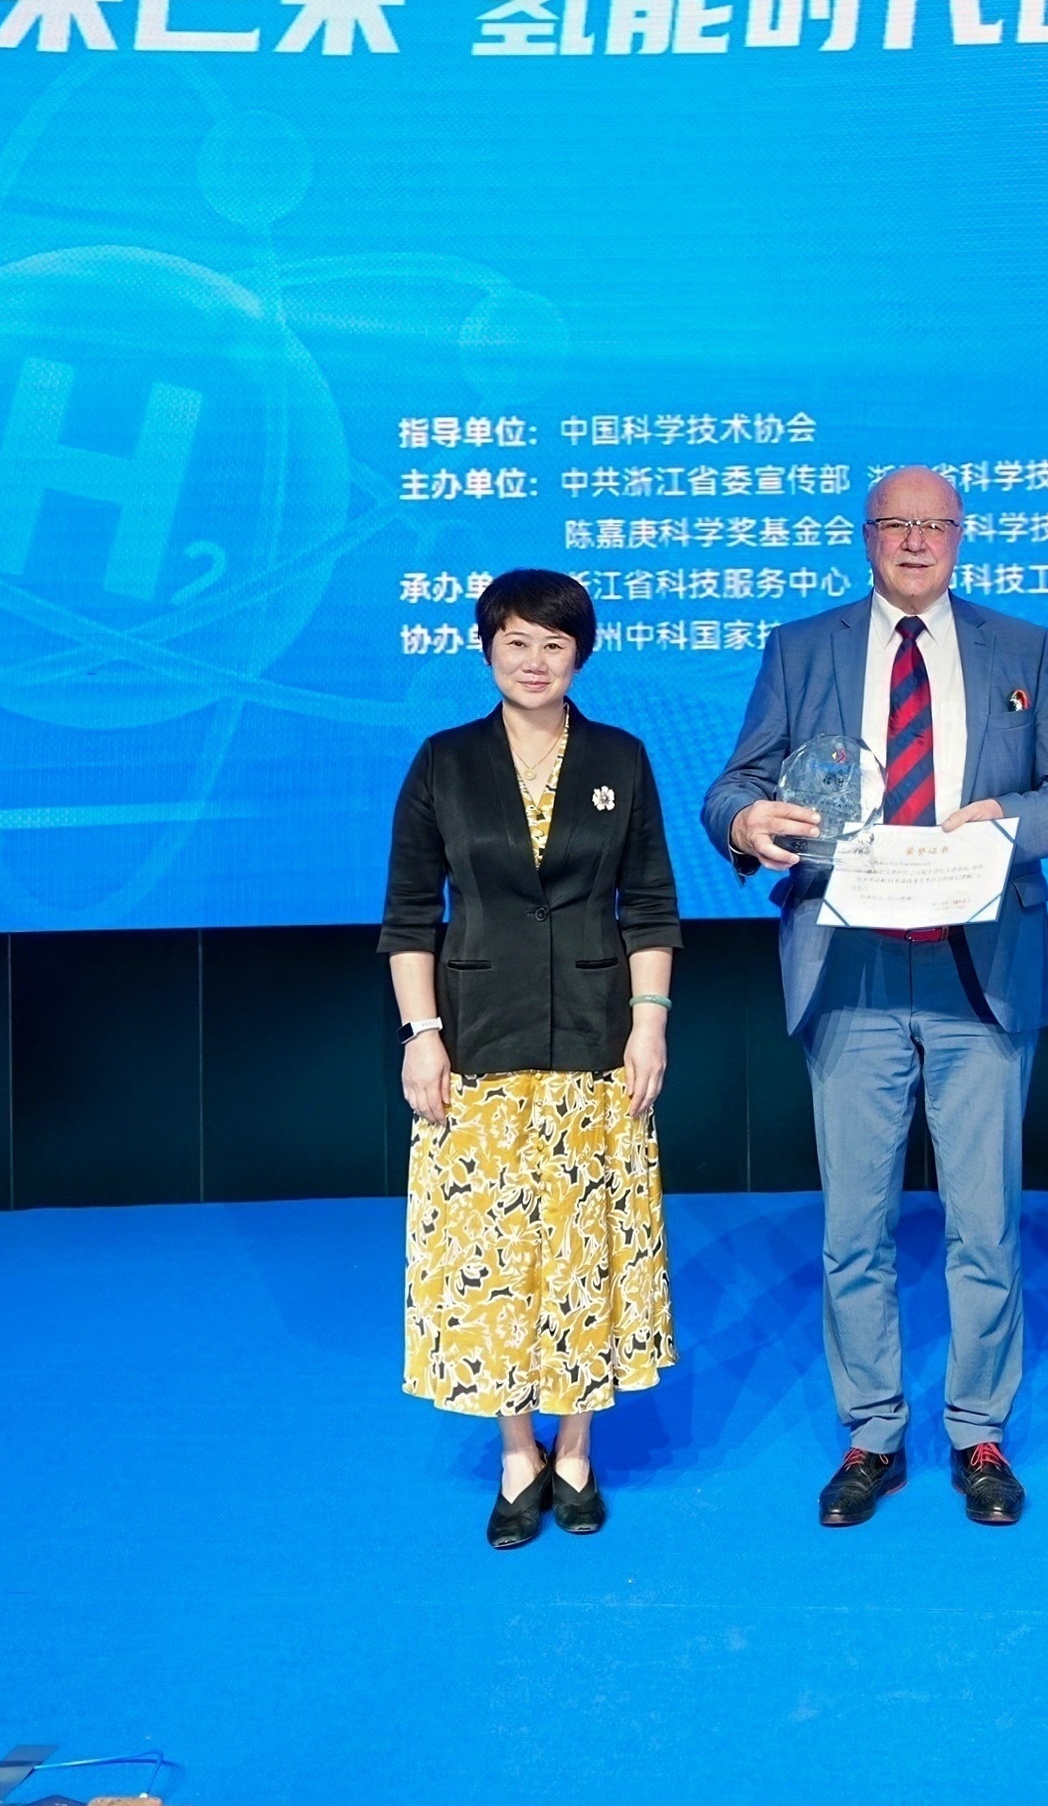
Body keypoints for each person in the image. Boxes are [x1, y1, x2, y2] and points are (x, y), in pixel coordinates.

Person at [701, 465, 1048, 1528]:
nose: (917, 541)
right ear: (866, 535)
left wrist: (1005, 822)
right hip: (853, 969)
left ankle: (980, 1429)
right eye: (896, 524)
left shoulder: (1024, 647)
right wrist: (744, 822)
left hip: (981, 969)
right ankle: (871, 1432)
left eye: (936, 524)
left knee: (986, 1223)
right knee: (855, 1224)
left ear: (961, 536)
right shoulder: (801, 647)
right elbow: (736, 782)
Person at [381, 569, 684, 1550]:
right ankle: (518, 1452)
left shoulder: (620, 757)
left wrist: (649, 1021)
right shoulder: (444, 760)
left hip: (596, 1036)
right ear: (486, 648)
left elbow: (649, 902)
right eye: (515, 640)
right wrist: (422, 1034)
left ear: (580, 655)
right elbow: (410, 914)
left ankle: (579, 1448)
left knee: (586, 1248)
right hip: (479, 1037)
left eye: (554, 643)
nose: (534, 659)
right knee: (498, 1256)